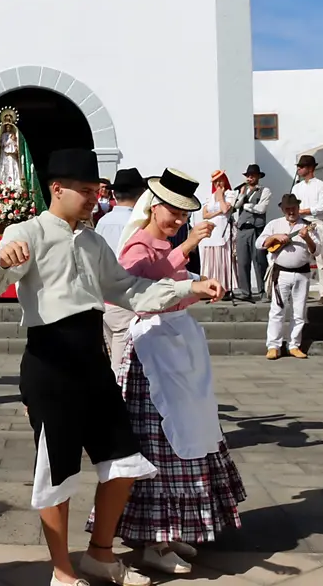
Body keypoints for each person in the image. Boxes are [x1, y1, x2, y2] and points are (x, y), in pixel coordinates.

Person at [0, 149, 224, 586]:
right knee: (57, 469)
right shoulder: (27, 232)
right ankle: (62, 571)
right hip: (50, 359)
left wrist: (190, 288)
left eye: (96, 191)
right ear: (57, 188)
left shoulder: (93, 242)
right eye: (86, 191)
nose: (93, 198)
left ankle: (100, 553)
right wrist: (0, 261)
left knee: (124, 459)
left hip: (93, 359)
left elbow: (128, 290)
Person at [87, 168, 244, 576]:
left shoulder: (158, 242)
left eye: (182, 214)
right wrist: (188, 275)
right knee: (158, 443)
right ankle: (153, 538)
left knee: (181, 437)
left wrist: (192, 277)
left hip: (174, 347)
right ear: (153, 207)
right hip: (152, 353)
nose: (177, 219)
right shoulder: (137, 245)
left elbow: (166, 278)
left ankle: (169, 530)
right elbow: (137, 290)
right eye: (172, 212)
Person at [97, 168, 148, 367]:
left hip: (104, 296)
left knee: (113, 353)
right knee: (121, 362)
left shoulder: (103, 221)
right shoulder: (138, 223)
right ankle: (117, 396)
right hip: (126, 295)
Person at [257, 195, 317, 359]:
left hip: (302, 273)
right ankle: (273, 346)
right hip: (281, 272)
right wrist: (274, 237)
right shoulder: (274, 224)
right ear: (283, 209)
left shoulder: (307, 226)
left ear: (298, 208)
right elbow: (259, 243)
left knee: (299, 312)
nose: (291, 211)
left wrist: (307, 238)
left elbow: (316, 251)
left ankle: (294, 345)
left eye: (294, 208)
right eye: (287, 209)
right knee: (277, 310)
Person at [292, 155, 323, 303]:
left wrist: (303, 211)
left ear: (309, 168)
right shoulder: (297, 187)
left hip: (317, 223)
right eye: (298, 166)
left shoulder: (321, 185)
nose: (298, 169)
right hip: (301, 224)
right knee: (300, 258)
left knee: (322, 260)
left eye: (301, 167)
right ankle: (300, 290)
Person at [231, 164, 272, 302]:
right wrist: (242, 194)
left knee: (259, 261)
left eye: (253, 175)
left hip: (256, 229)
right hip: (242, 229)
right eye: (248, 176)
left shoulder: (264, 190)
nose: (250, 178)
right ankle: (245, 291)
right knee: (242, 261)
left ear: (258, 177)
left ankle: (263, 291)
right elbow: (235, 207)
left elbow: (262, 208)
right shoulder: (242, 192)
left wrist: (247, 206)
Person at [199, 171, 236, 296]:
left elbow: (226, 209)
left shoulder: (229, 194)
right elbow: (205, 214)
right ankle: (210, 287)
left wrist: (221, 198)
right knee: (211, 259)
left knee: (222, 258)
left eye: (220, 180)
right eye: (216, 181)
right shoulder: (210, 197)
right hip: (211, 231)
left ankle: (225, 286)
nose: (218, 184)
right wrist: (217, 211)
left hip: (222, 229)